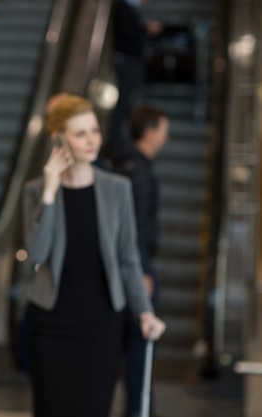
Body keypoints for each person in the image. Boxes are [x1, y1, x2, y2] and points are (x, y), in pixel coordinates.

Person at [22, 94, 165, 417]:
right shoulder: (36, 191)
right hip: (52, 325)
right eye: (80, 133)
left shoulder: (118, 188)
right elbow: (37, 253)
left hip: (102, 326)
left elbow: (129, 258)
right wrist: (49, 191)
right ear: (58, 138)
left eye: (94, 131)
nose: (92, 141)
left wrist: (144, 311)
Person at [113, 105, 169, 417]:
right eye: (163, 130)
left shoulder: (124, 165)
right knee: (139, 350)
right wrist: (144, 271)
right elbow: (136, 227)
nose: (166, 137)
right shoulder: (137, 173)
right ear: (148, 132)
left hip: (132, 268)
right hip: (137, 271)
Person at [106, 0, 162, 157]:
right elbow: (129, 35)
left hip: (129, 61)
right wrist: (145, 30)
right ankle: (115, 143)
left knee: (128, 103)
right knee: (125, 103)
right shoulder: (123, 8)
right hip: (127, 61)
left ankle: (119, 142)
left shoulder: (128, 9)